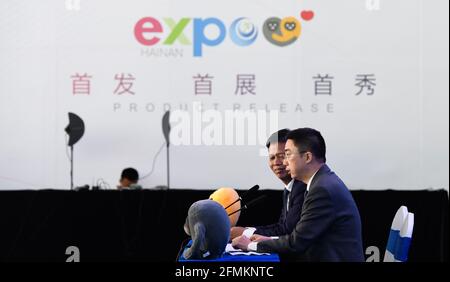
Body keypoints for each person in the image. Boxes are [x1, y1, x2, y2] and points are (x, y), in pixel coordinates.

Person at [232, 128, 364, 262]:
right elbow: (298, 236)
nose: (283, 162)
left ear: (307, 157)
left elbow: (296, 243)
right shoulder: (320, 182)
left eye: (287, 155)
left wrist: (250, 245)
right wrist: (267, 240)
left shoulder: (322, 190)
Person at [230, 129, 307, 240]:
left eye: (282, 156)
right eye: (272, 157)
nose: (276, 162)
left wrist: (245, 233)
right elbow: (281, 227)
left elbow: (288, 231)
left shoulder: (303, 187)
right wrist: (246, 231)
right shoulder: (289, 189)